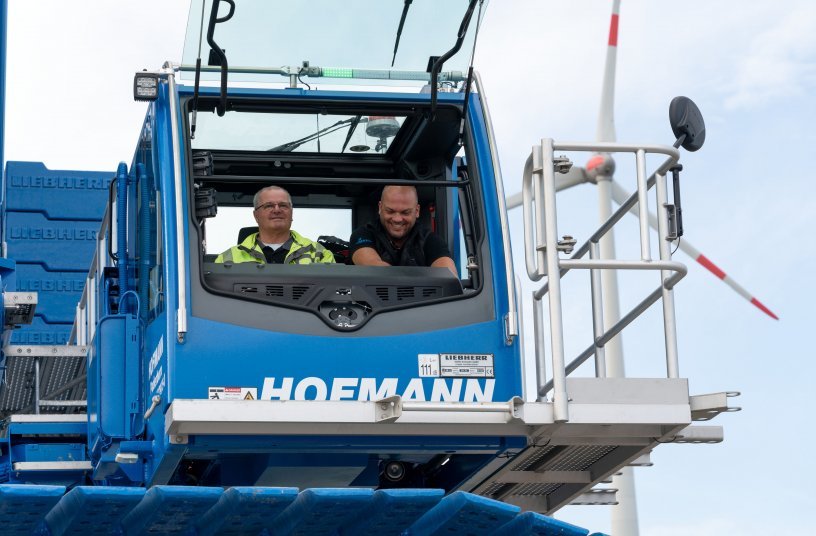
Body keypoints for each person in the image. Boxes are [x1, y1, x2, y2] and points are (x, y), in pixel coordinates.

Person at [350, 185, 457, 275]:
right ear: (380, 207)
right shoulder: (363, 234)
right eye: (390, 211)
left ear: (417, 211)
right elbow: (373, 268)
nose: (397, 219)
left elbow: (449, 276)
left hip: (425, 301)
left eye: (405, 212)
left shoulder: (431, 240)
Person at [215, 186, 334, 265]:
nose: (277, 210)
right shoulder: (226, 259)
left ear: (291, 213)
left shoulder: (319, 254)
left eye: (283, 205)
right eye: (269, 206)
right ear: (256, 215)